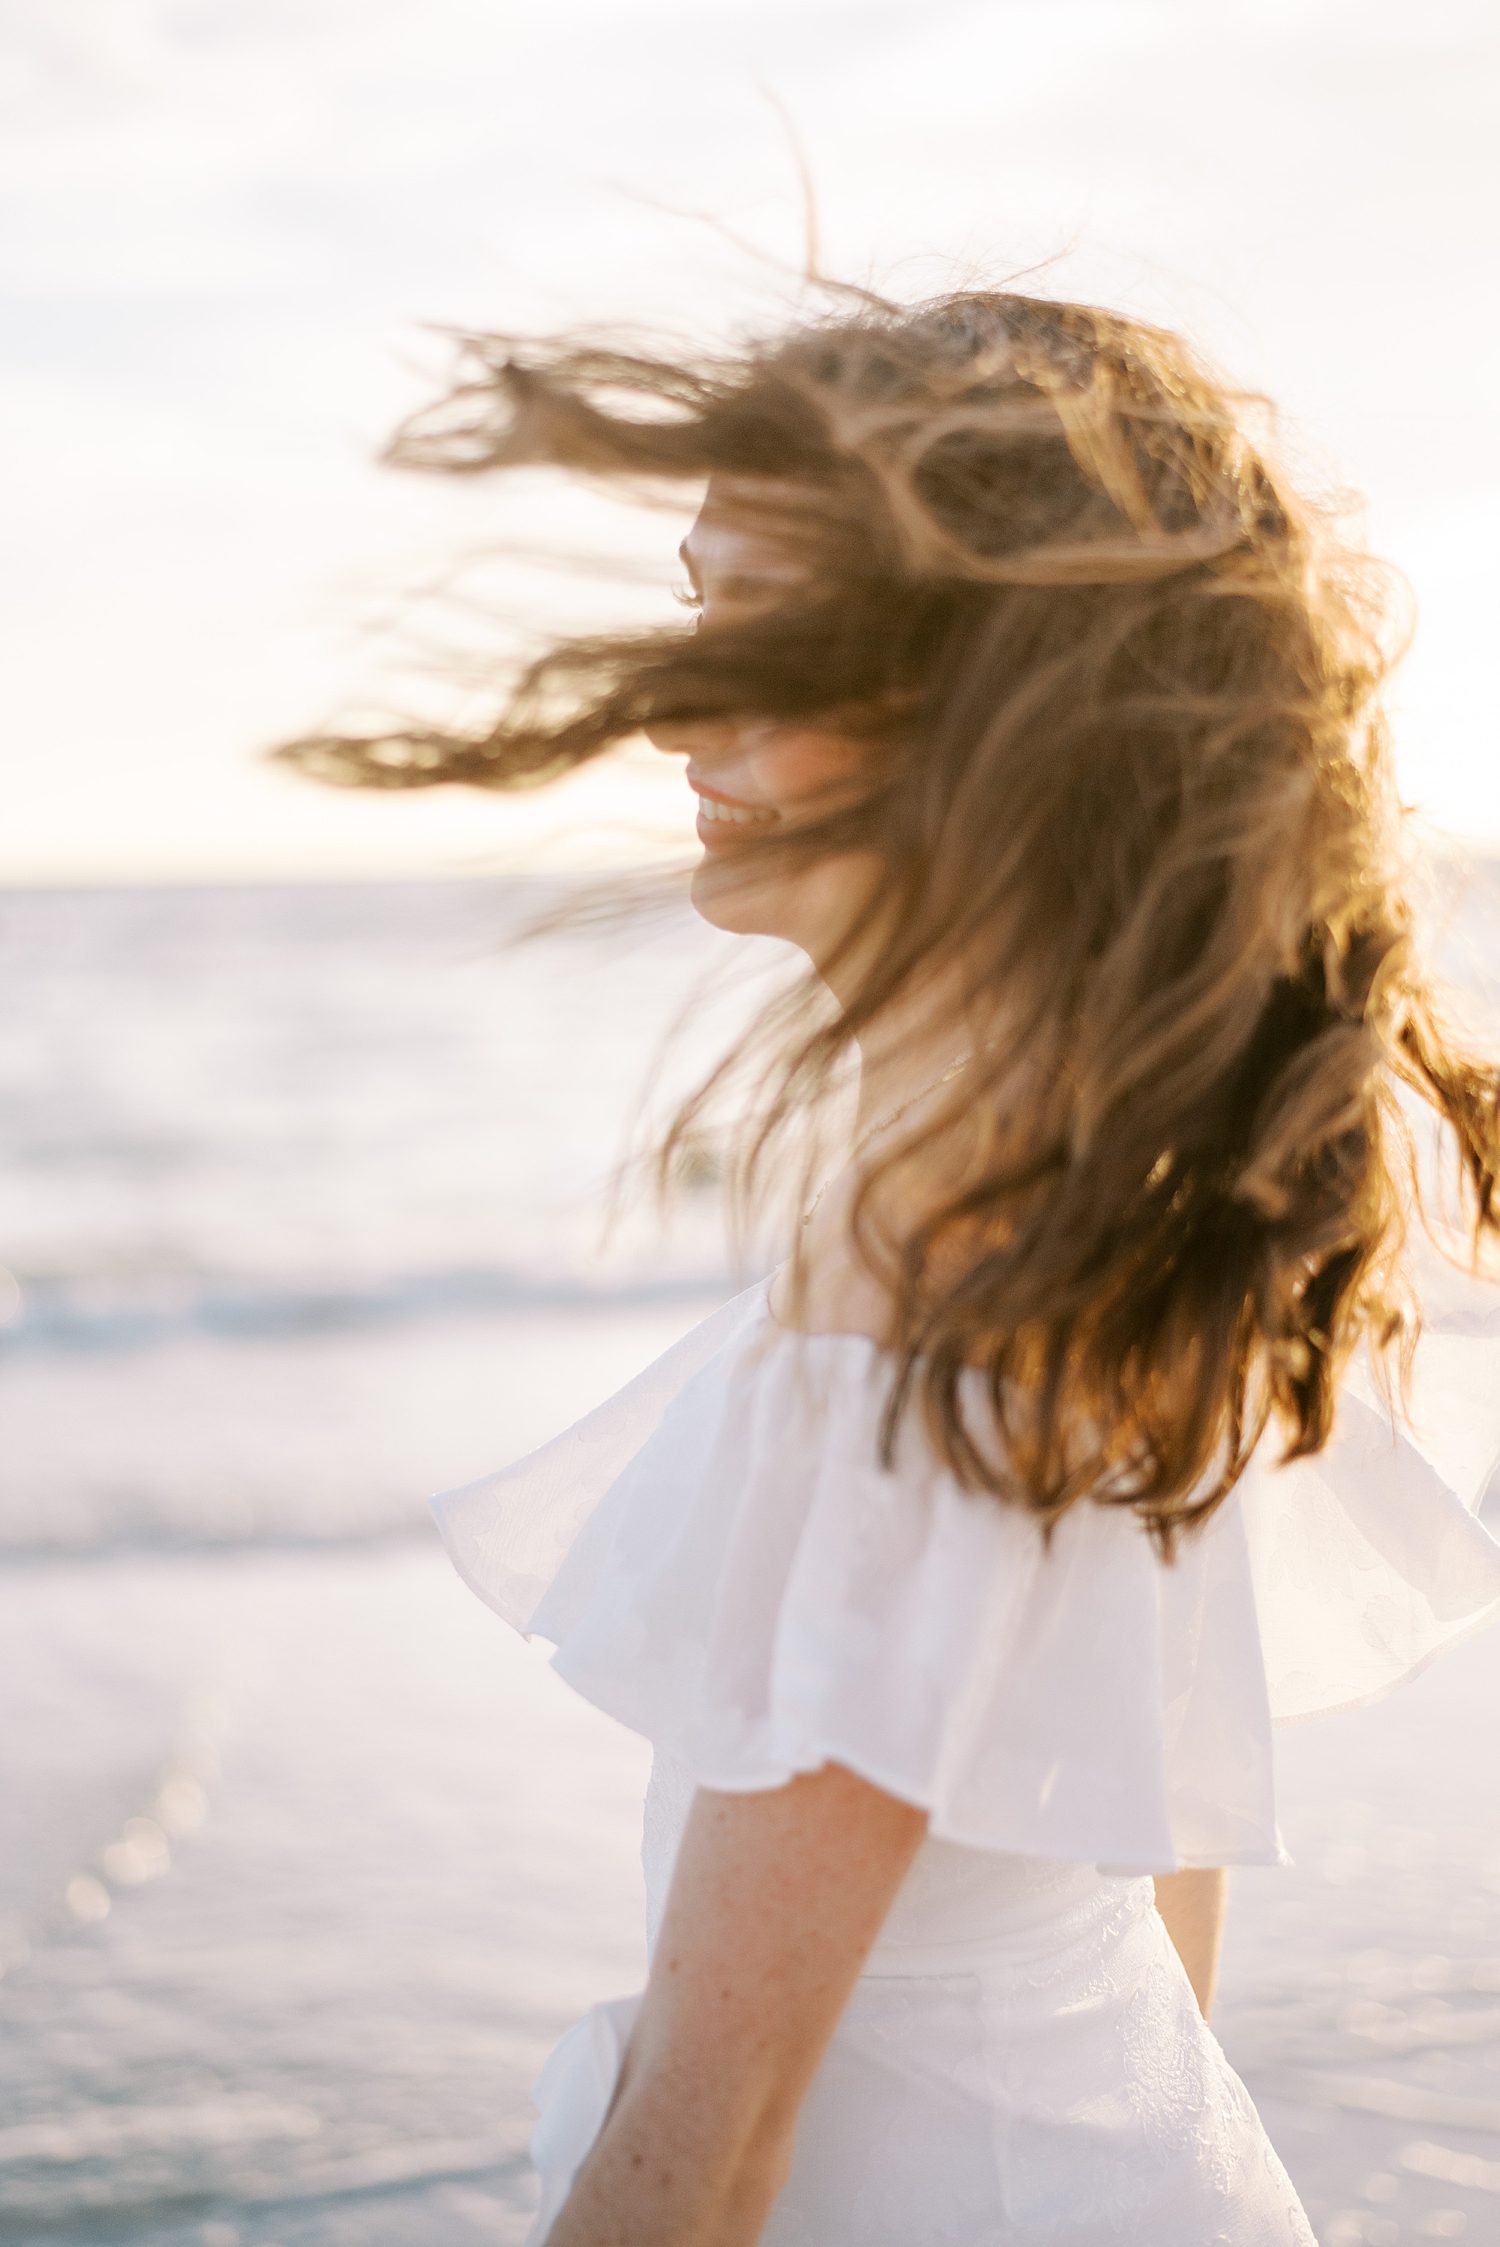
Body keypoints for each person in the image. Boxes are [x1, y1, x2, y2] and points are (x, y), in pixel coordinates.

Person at [270, 283, 1500, 2243]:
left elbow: (713, 2132)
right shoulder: (1139, 1136)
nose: (676, 706)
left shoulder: (934, 1229)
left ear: (1002, 689)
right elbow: (1155, 1847)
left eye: (776, 637)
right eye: (695, 613)